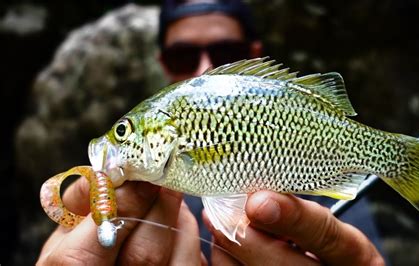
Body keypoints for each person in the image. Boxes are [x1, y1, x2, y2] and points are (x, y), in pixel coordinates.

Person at [37, 0, 385, 265]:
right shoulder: (137, 190)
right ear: (162, 63)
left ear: (252, 53)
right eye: (182, 56)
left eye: (225, 53)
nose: (204, 69)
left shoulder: (318, 202)